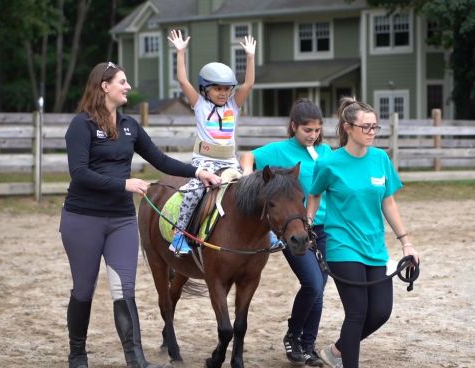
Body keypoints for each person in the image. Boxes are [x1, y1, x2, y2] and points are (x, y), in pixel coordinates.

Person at [60, 61, 221, 368]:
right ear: (104, 86)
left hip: (120, 220)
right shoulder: (80, 126)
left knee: (125, 289)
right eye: (122, 82)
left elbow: (160, 159)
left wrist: (197, 172)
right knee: (84, 289)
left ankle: (136, 359)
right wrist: (124, 183)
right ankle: (77, 354)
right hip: (83, 218)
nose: (128, 87)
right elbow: (79, 173)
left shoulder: (129, 125)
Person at [306, 97, 420, 368]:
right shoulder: (330, 163)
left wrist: (406, 243)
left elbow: (388, 202)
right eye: (366, 127)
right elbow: (314, 194)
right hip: (342, 245)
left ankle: (336, 352)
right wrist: (309, 222)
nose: (371, 132)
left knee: (380, 312)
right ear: (348, 127)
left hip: (374, 247)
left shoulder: (380, 159)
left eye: (375, 127)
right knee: (356, 313)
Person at [240, 98, 332, 367]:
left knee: (319, 289)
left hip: (326, 229)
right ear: (294, 127)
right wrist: (247, 172)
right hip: (296, 229)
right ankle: (294, 336)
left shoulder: (325, 152)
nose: (313, 135)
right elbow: (249, 156)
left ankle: (307, 344)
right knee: (313, 283)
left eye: (317, 130)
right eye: (307, 130)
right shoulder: (280, 150)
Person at [166, 29, 256, 255]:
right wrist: (180, 53)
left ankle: (268, 232)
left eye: (227, 89)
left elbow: (248, 85)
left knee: (252, 189)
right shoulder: (200, 105)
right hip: (204, 162)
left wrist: (250, 57)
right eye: (217, 88)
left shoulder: (233, 106)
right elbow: (182, 80)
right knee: (195, 191)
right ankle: (180, 235)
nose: (223, 93)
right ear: (205, 89)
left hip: (229, 161)